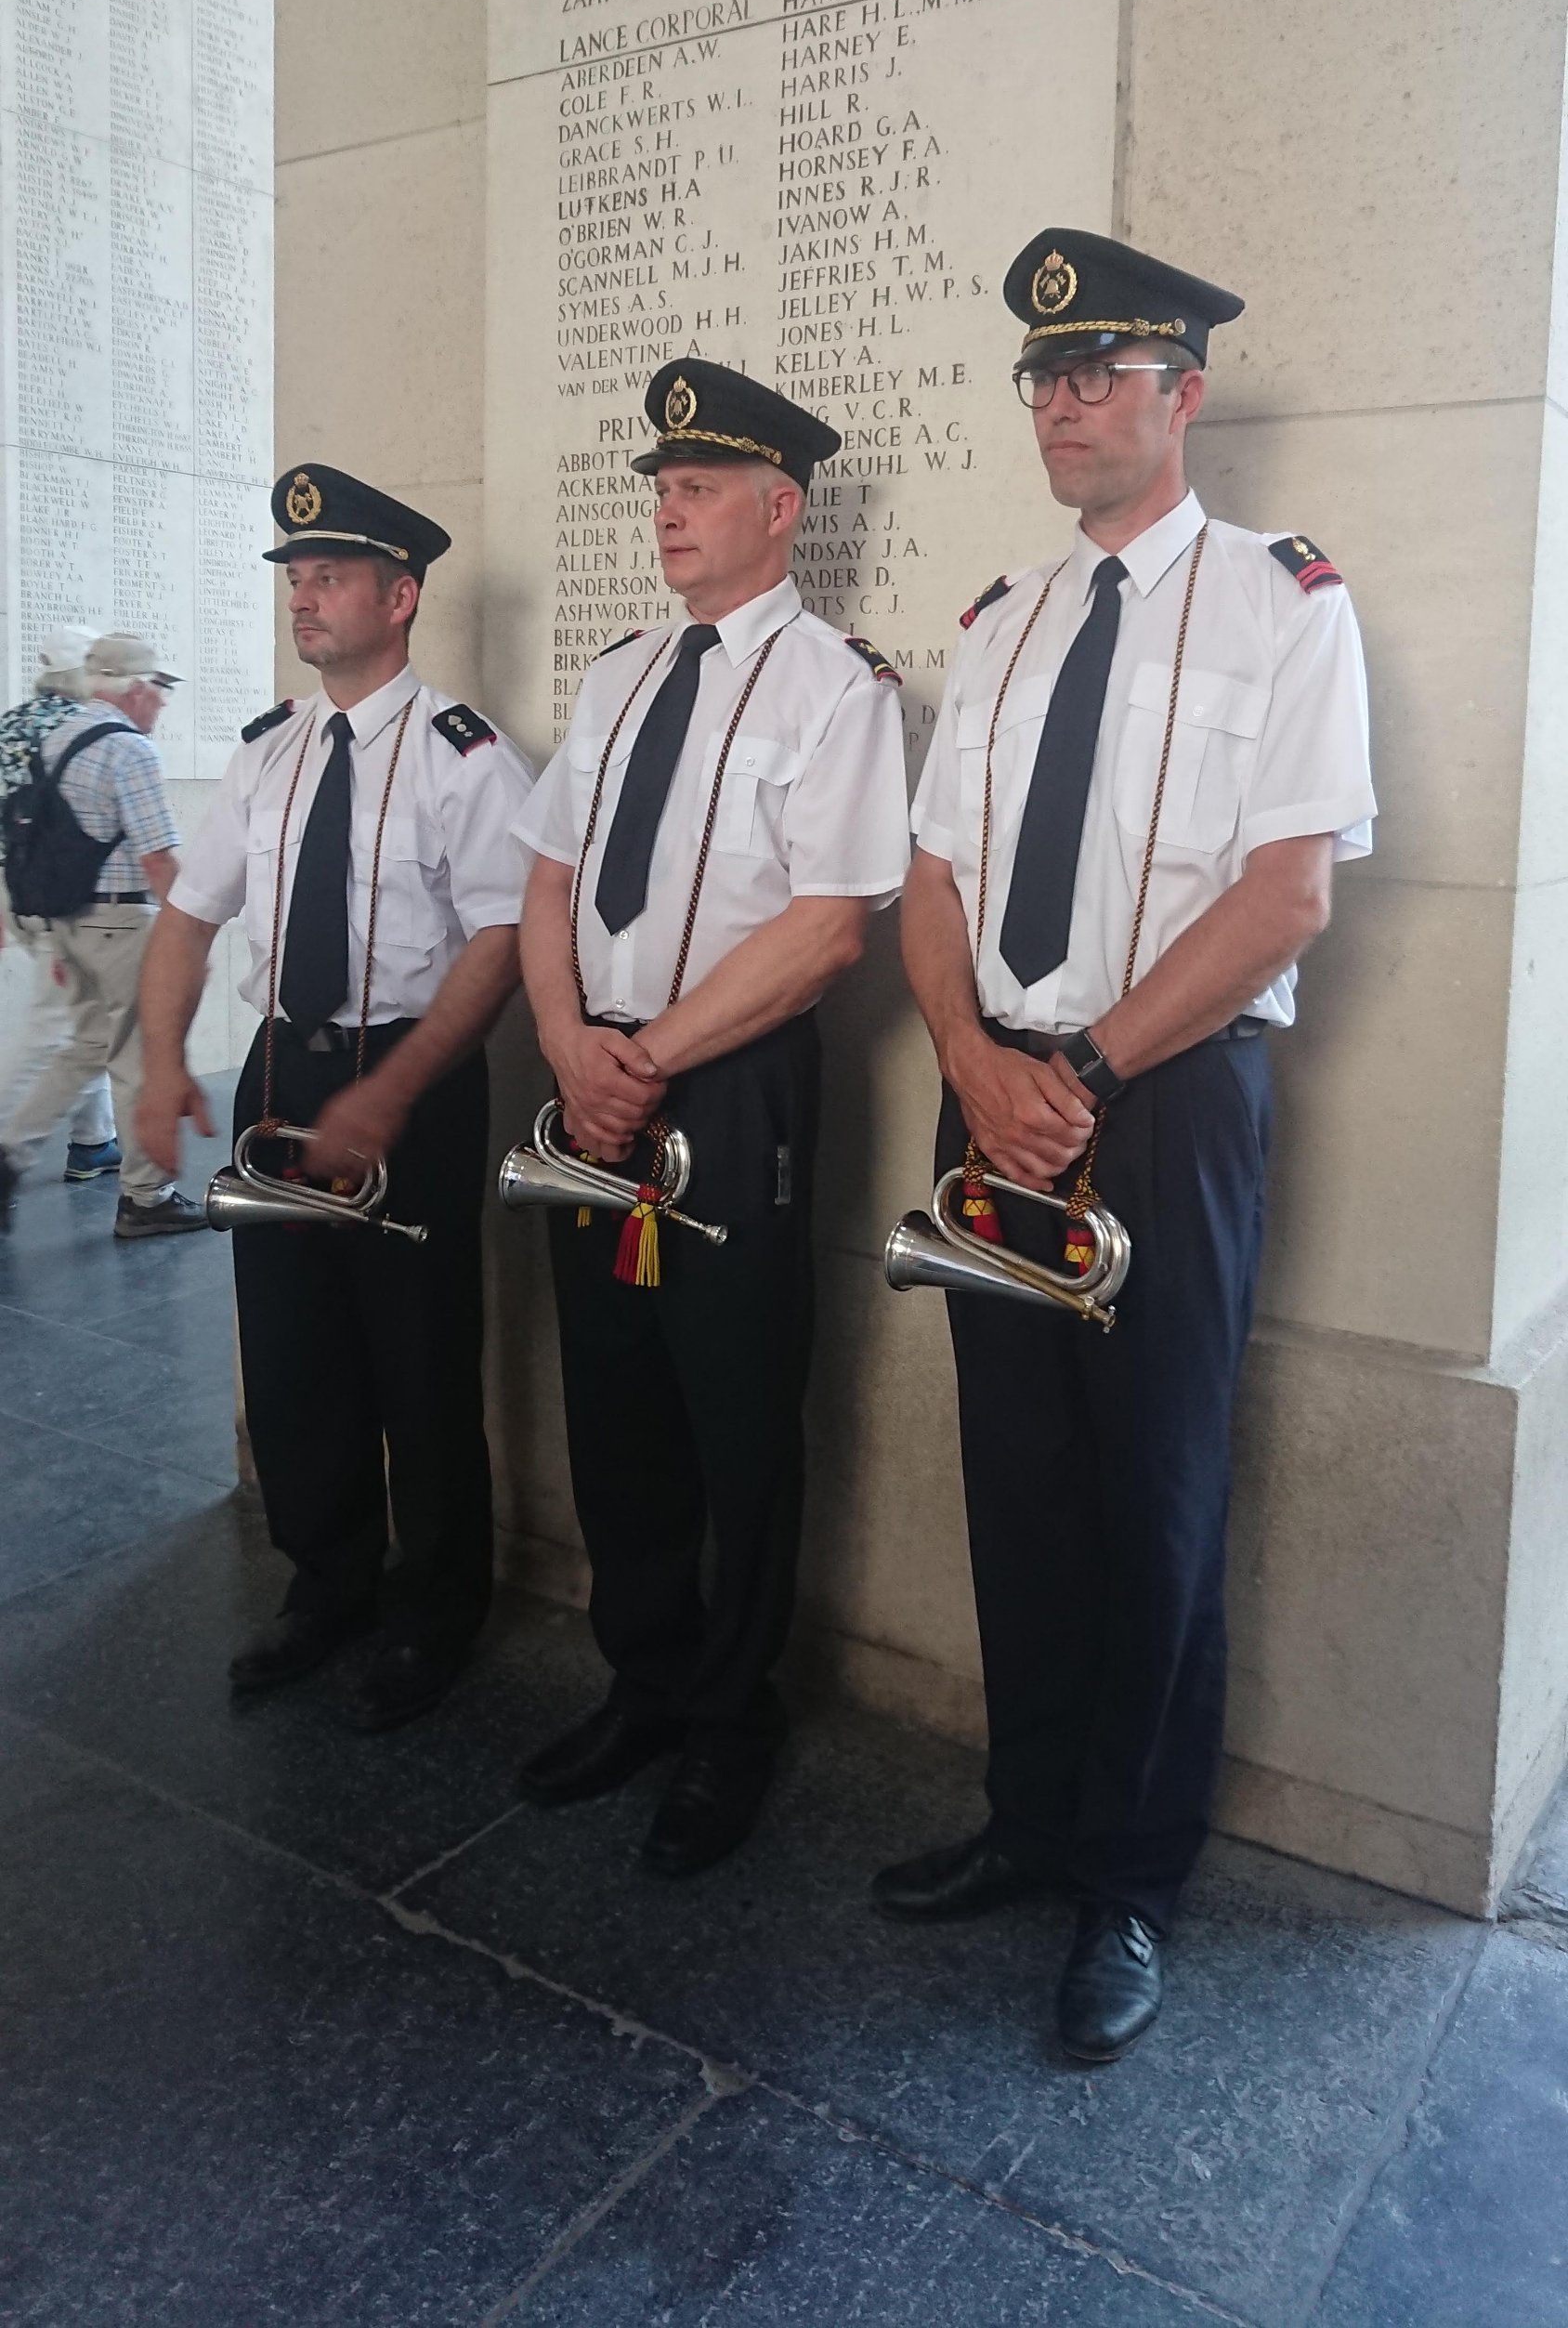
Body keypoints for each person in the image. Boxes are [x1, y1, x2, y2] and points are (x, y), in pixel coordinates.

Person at [873, 229, 1376, 2064]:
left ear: (1184, 395)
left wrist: (1075, 1068)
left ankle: (1130, 1881)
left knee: (1156, 1488)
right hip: (991, 1088)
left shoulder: (1283, 603)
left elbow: (1288, 892)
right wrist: (968, 1055)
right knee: (1016, 1472)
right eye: (1042, 378)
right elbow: (931, 876)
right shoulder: (1001, 621)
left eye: (1097, 373)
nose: (1061, 404)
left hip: (1157, 1106)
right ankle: (1028, 1817)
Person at [515, 359, 910, 1875]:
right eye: (662, 490)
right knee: (613, 1393)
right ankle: (645, 1681)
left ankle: (730, 1719)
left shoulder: (837, 687)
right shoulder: (619, 675)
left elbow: (829, 928)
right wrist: (570, 1044)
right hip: (592, 1078)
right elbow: (549, 878)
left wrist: (647, 1057)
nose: (668, 513)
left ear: (778, 507)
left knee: (735, 1407)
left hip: (731, 1088)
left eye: (697, 489)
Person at [136, 465, 537, 1733]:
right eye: (296, 579)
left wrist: (397, 1089)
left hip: (410, 1074)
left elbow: (503, 942)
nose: (302, 598)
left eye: (330, 577)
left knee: (418, 1356)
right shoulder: (270, 752)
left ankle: (436, 1609)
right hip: (283, 1070)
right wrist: (160, 1064)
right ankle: (329, 1584)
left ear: (400, 597)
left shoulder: (467, 758)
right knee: (293, 1346)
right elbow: (191, 916)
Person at [0, 633, 201, 1238]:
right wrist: (191, 931)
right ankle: (146, 1198)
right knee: (138, 1056)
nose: (163, 701)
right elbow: (157, 857)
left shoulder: (58, 737)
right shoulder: (128, 749)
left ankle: (9, 1153)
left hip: (67, 921)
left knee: (86, 1045)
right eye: (160, 687)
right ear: (135, 689)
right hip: (120, 923)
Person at [0, 629, 121, 1207]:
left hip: (18, 890)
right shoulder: (78, 729)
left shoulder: (11, 726)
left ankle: (94, 1140)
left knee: (85, 1015)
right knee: (53, 1024)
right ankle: (7, 1146)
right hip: (65, 897)